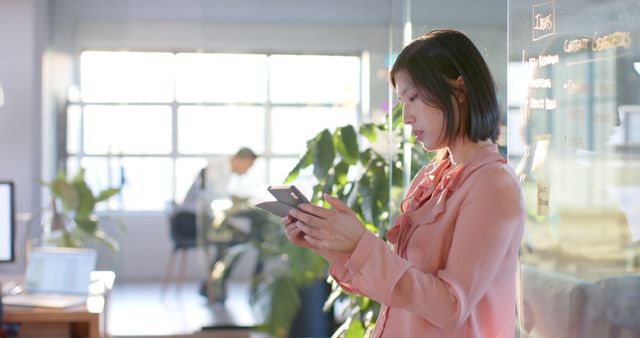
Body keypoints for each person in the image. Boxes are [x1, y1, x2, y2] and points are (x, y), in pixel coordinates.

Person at [282, 29, 525, 337]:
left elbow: (451, 307)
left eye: (413, 97)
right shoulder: (431, 177)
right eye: (401, 101)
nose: (406, 116)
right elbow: (400, 288)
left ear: (459, 91)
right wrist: (330, 243)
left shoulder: (492, 185)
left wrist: (360, 243)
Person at [180, 147, 258, 213]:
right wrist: (233, 198)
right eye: (248, 166)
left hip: (201, 214)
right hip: (190, 215)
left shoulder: (225, 170)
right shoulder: (216, 169)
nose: (246, 172)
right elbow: (210, 195)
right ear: (239, 159)